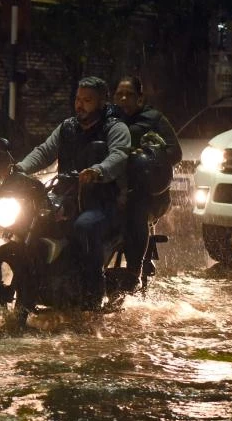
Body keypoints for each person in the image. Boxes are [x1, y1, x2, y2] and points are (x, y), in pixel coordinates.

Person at [14, 76, 131, 310]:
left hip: (100, 200)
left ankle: (92, 294)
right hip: (66, 195)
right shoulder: (67, 127)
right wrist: (20, 169)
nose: (80, 105)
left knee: (84, 228)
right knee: (28, 218)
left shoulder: (115, 128)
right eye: (78, 99)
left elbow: (119, 156)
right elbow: (44, 151)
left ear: (101, 102)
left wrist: (98, 171)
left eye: (87, 100)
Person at [113, 76, 182, 288]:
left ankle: (134, 271)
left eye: (130, 95)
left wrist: (150, 155)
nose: (124, 99)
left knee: (136, 213)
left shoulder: (154, 119)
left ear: (140, 98)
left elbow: (175, 152)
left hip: (149, 194)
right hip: (114, 187)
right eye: (119, 95)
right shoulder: (110, 118)